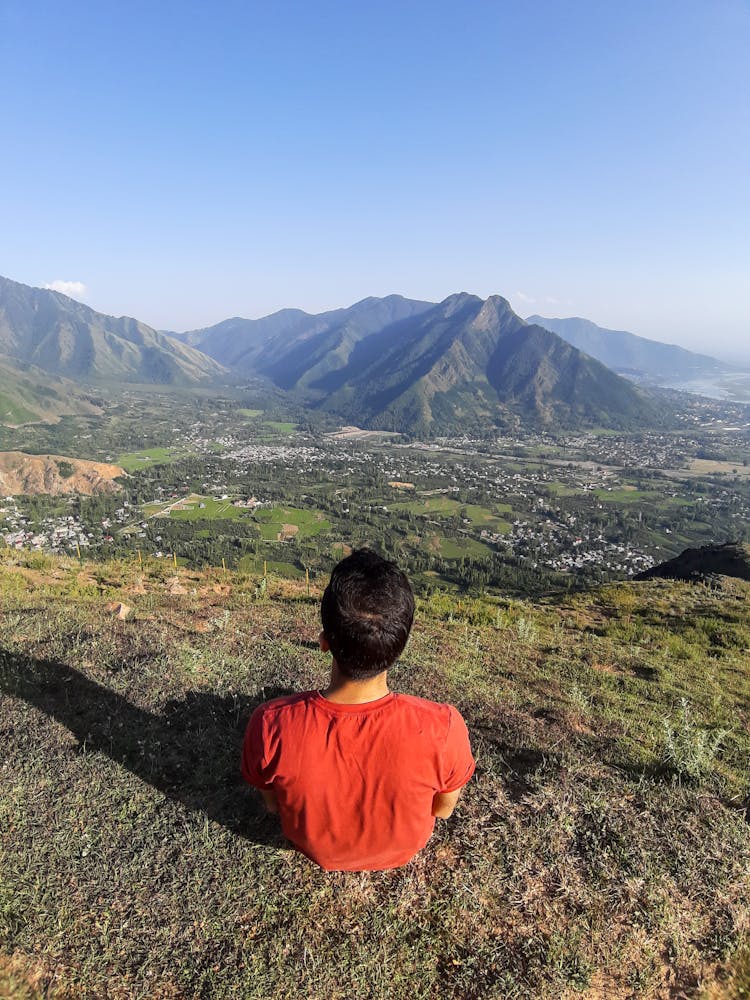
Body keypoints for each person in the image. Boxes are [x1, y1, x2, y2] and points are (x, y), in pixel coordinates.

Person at [241, 548, 475, 871]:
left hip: (314, 849)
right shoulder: (443, 728)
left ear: (324, 641)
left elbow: (272, 805)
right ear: (399, 646)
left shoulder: (269, 724)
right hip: (403, 851)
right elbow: (443, 810)